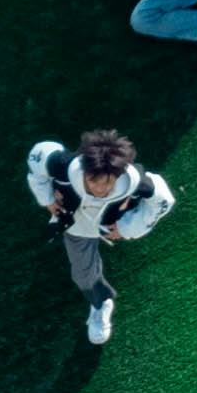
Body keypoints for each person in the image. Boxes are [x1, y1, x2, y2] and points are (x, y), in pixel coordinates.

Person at [26, 126, 174, 345]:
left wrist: (128, 227)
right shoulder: (63, 165)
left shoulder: (134, 181)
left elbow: (163, 201)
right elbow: (37, 157)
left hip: (111, 221)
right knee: (82, 275)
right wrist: (47, 199)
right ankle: (101, 302)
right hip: (77, 226)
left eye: (108, 183)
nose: (100, 190)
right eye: (93, 181)